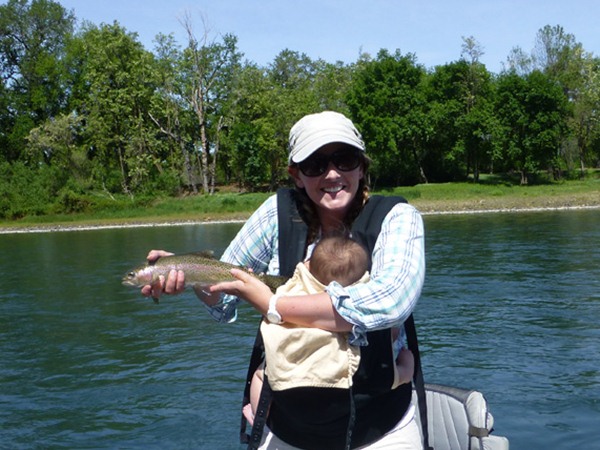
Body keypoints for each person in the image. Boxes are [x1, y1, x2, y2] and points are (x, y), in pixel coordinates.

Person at [142, 110, 426, 449]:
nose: (332, 173)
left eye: (345, 159)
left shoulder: (397, 217)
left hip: (381, 427)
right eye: (315, 165)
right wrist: (192, 277)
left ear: (362, 166)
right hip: (289, 425)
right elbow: (224, 296)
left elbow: (390, 302)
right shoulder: (275, 214)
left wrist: (273, 305)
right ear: (296, 175)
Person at [242, 234, 415, 426]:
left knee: (260, 376)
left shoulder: (292, 294)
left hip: (288, 380)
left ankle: (259, 415)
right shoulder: (358, 305)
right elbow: (390, 335)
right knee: (399, 370)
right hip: (337, 382)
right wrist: (404, 358)